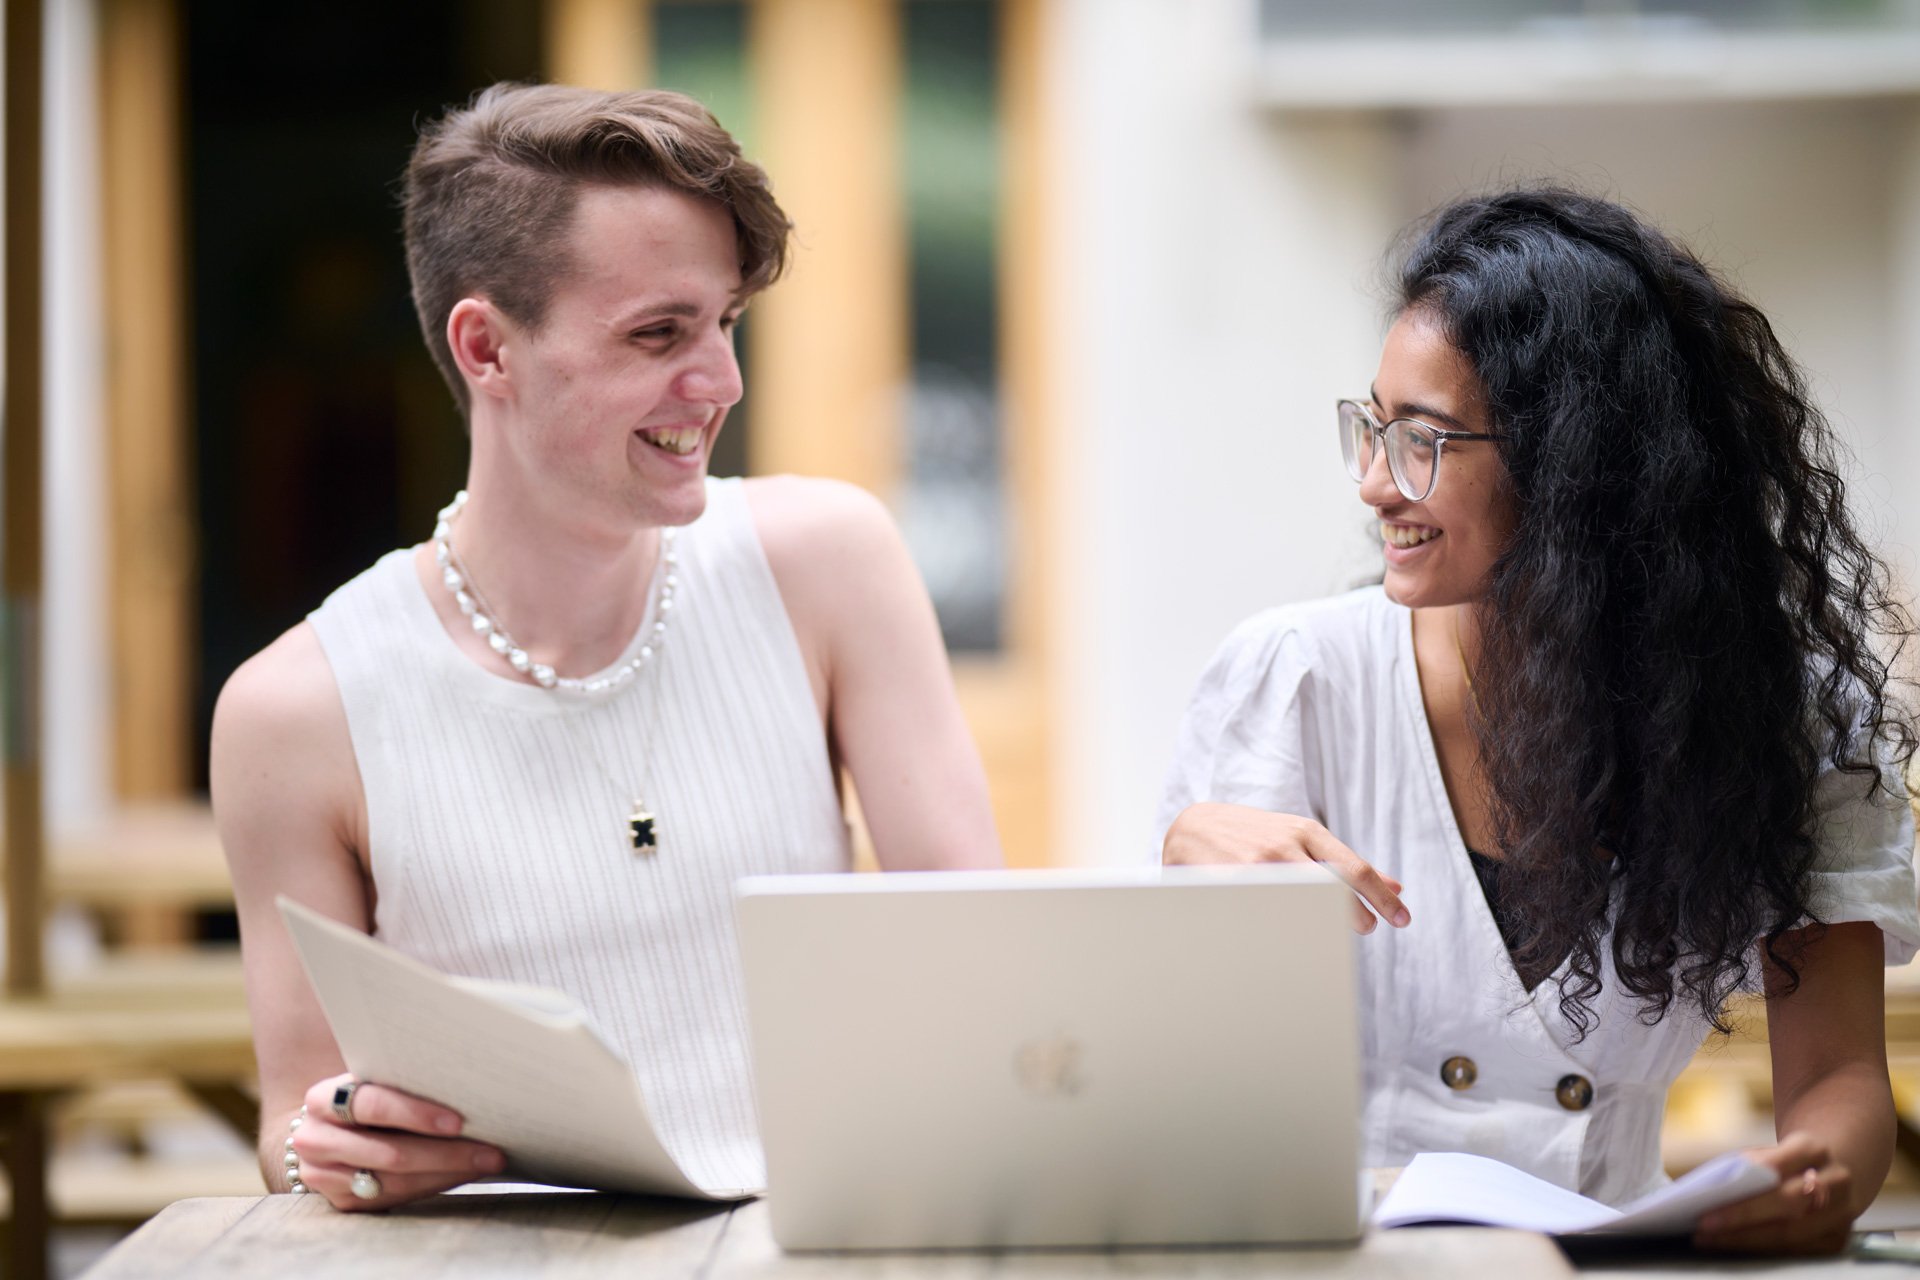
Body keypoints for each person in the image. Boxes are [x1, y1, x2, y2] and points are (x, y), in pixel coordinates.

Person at [210, 83, 1002, 1211]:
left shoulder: (829, 561)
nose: (722, 382)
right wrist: (327, 1148)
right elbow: (294, 1115)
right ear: (487, 348)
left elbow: (984, 961)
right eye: (658, 333)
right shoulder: (292, 711)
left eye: (725, 321)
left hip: (810, 1239)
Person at [1159, 188, 1919, 1255]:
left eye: (1422, 440)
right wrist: (1180, 882)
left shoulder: (1786, 716)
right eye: (1371, 428)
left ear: (1579, 469)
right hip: (1329, 1256)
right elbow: (1165, 1085)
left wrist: (1817, 1177)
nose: (1376, 483)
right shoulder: (1295, 677)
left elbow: (1839, 1076)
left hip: (1607, 1256)